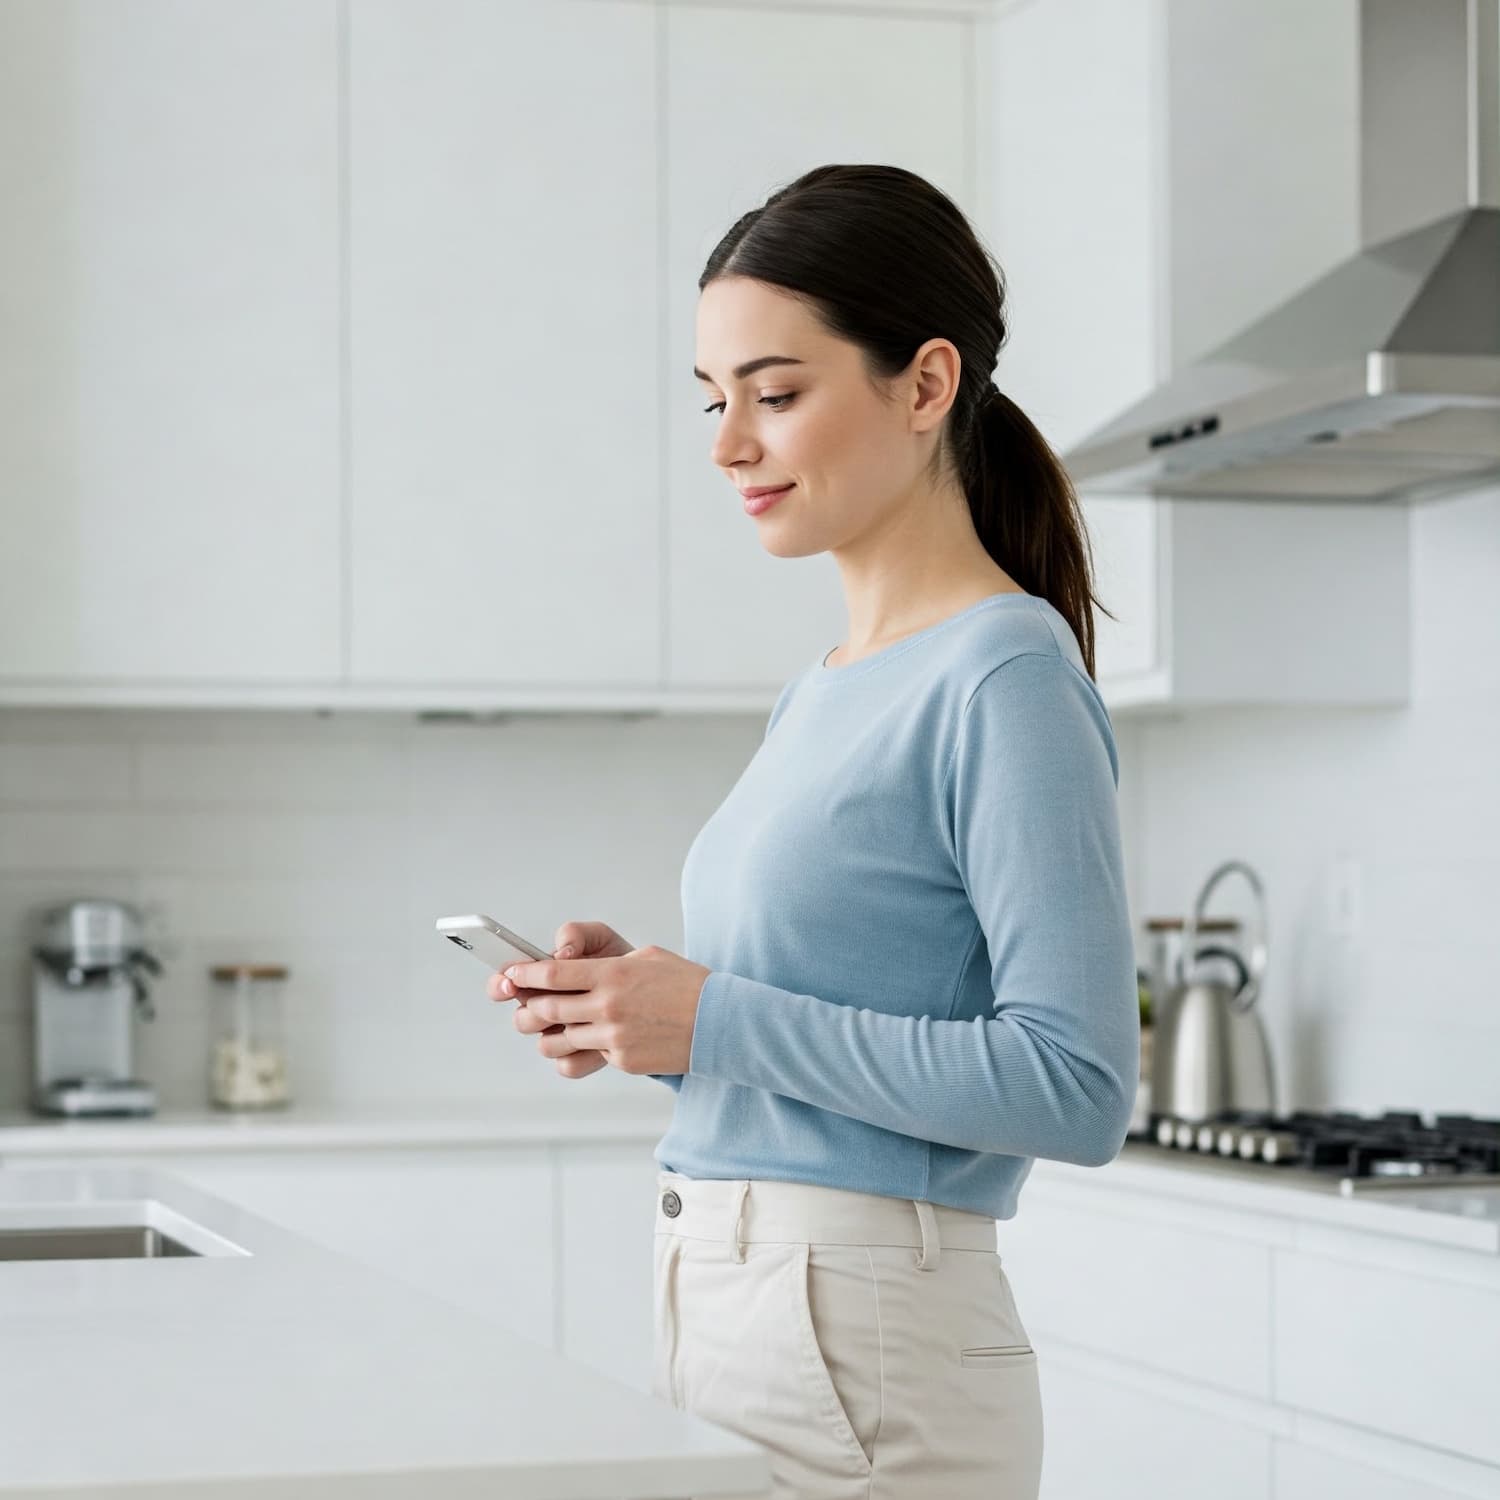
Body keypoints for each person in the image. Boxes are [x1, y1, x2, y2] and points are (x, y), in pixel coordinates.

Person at [489, 162, 1139, 1500]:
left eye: (776, 395)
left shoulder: (1002, 676)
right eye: (714, 400)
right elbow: (824, 1046)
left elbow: (1075, 1090)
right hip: (739, 1304)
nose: (730, 443)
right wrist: (646, 1020)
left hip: (864, 1343)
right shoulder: (826, 685)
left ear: (925, 384)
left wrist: (713, 1019)